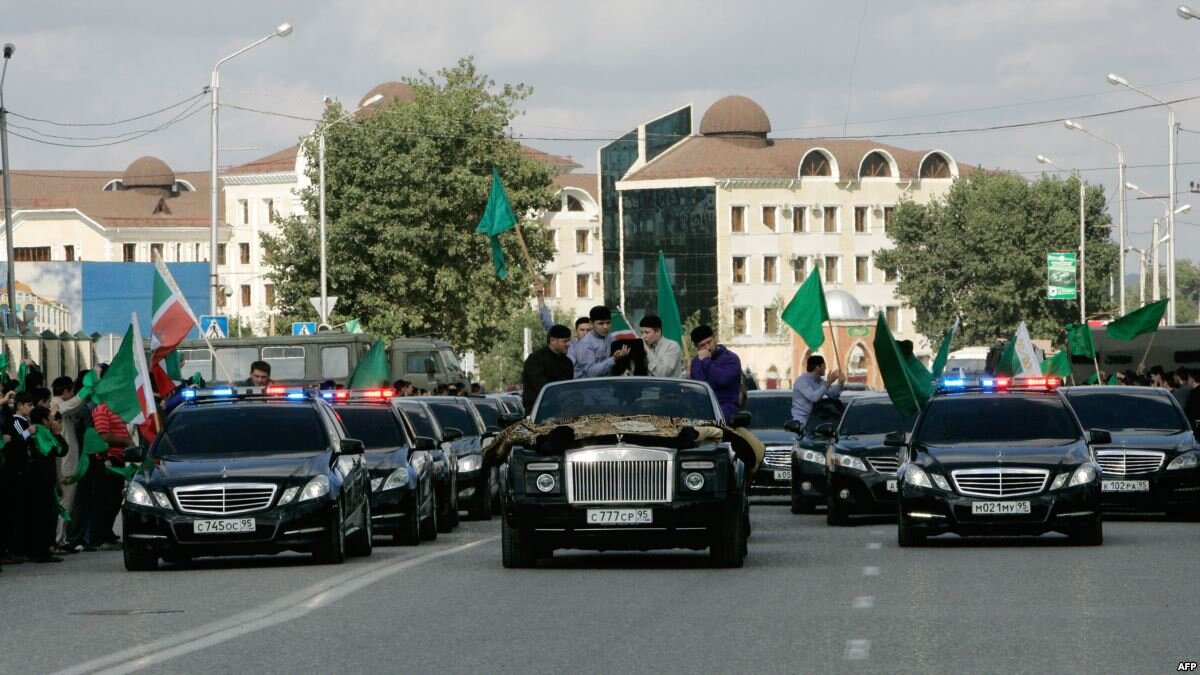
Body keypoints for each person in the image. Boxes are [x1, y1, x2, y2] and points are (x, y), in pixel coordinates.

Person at [688, 325, 742, 420]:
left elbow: (722, 379)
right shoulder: (696, 362)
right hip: (701, 409)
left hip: (725, 408)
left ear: (715, 339)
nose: (708, 347)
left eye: (709, 342)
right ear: (697, 347)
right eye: (702, 345)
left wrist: (706, 361)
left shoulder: (731, 358)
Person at [522, 324, 575, 411]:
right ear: (552, 341)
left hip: (562, 410)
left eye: (569, 341)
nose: (568, 344)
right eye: (564, 341)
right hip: (538, 410)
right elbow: (542, 387)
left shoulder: (567, 362)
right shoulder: (535, 360)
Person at [536, 282, 591, 364]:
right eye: (582, 330)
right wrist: (540, 298)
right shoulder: (569, 346)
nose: (585, 333)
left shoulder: (602, 346)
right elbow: (549, 325)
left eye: (588, 330)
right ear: (576, 332)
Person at [574, 305, 630, 378]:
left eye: (608, 323)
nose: (605, 327)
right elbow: (590, 373)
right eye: (601, 323)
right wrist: (613, 359)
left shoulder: (611, 338)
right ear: (591, 324)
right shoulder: (585, 344)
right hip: (588, 384)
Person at [791, 355, 845, 427]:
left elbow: (834, 395)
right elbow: (814, 397)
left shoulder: (820, 381)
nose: (825, 368)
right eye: (823, 366)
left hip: (815, 421)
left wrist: (840, 383)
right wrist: (828, 382)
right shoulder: (802, 381)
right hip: (801, 422)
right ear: (817, 367)